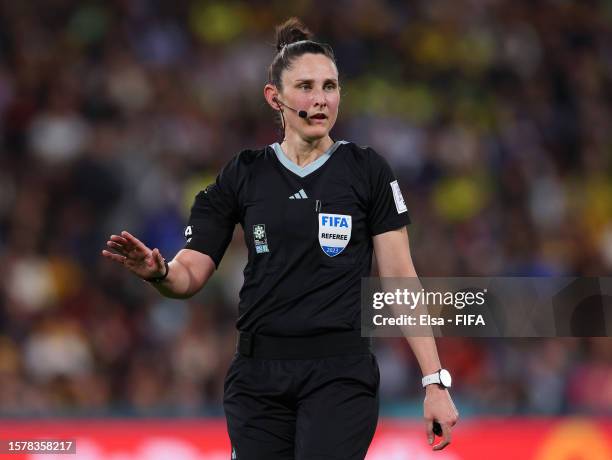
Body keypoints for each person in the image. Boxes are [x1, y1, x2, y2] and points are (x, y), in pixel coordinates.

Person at [102, 17, 458, 460]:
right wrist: (159, 273)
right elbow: (190, 272)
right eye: (306, 86)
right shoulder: (243, 174)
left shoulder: (365, 171)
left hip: (339, 374)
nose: (321, 99)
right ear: (276, 97)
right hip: (258, 377)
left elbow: (401, 279)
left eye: (330, 86)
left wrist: (433, 381)